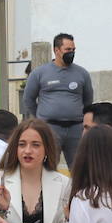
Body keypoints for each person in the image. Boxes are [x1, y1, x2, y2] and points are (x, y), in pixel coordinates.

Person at [0, 118, 70, 223]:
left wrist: (69, 218)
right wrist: (2, 209)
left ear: (47, 149)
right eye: (22, 144)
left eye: (35, 145)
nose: (27, 151)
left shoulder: (63, 183)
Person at [21, 32, 93, 168]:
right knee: (48, 167)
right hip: (50, 129)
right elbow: (28, 99)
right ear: (56, 50)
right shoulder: (39, 73)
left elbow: (88, 100)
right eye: (68, 50)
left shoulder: (82, 73)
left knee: (81, 169)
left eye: (73, 50)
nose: (71, 53)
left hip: (76, 129)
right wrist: (41, 118)